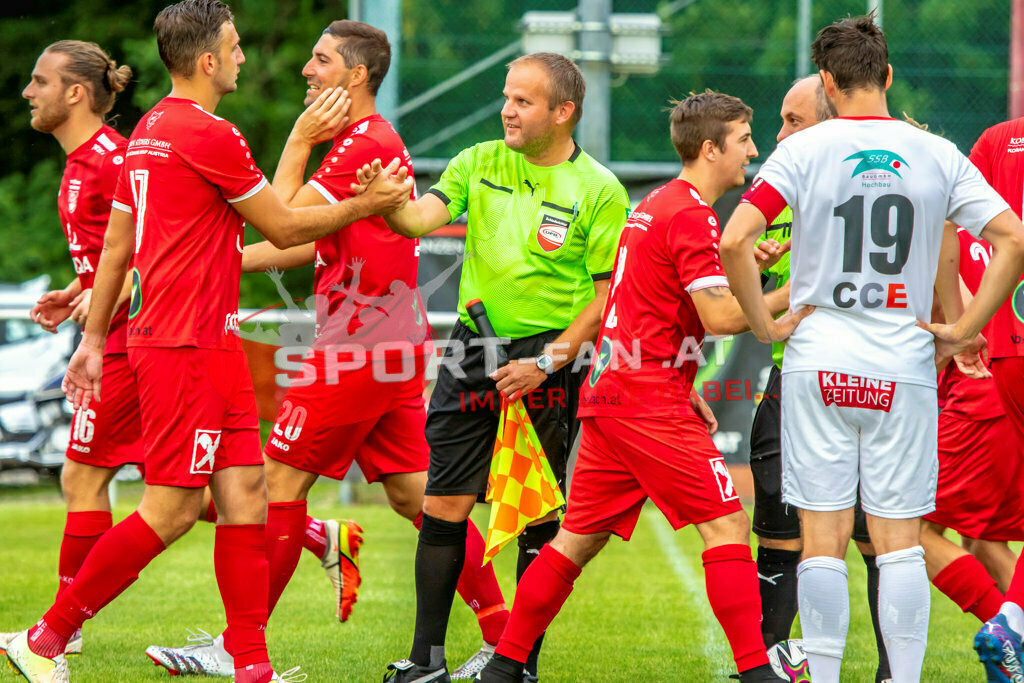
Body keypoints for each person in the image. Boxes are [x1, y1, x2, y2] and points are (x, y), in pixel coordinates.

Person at [4, 2, 411, 682]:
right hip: (183, 346)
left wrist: (95, 338)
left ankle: (250, 664)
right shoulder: (209, 133)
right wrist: (369, 206)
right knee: (167, 509)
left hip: (207, 341)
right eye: (235, 45)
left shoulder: (149, 130)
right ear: (208, 62)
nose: (244, 56)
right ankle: (46, 637)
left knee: (247, 495)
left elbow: (116, 251)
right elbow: (284, 230)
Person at [143, 21, 510, 680]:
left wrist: (296, 140)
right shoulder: (362, 143)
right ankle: (504, 636)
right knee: (418, 498)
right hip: (388, 344)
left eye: (321, 60)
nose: (307, 71)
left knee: (275, 485)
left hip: (357, 350)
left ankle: (239, 646)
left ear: (358, 75)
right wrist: (208, 267)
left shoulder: (357, 143)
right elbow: (308, 238)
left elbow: (277, 213)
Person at [721, 14, 1024, 683]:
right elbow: (1014, 239)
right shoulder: (937, 152)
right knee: (899, 546)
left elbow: (735, 239)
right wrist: (966, 323)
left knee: (822, 542)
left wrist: (764, 325)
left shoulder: (802, 152)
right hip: (903, 364)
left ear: (826, 83)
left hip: (819, 361)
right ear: (888, 76)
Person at [477, 90, 804, 683]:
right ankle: (758, 672)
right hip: (646, 400)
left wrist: (687, 373)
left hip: (616, 392)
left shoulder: (657, 204)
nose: (753, 152)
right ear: (711, 149)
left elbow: (643, 307)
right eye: (745, 140)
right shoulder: (694, 215)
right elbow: (721, 318)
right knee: (727, 525)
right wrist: (798, 288)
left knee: (577, 539)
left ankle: (503, 666)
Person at [366, 52, 630, 682]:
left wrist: (546, 360)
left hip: (549, 360)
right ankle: (426, 660)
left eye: (523, 101)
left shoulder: (599, 189)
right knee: (443, 503)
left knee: (535, 510)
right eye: (506, 97)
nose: (507, 110)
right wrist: (383, 203)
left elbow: (604, 299)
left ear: (562, 112)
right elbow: (420, 218)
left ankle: (517, 664)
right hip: (470, 350)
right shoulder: (479, 160)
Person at [751, 75, 894, 683]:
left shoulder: (882, 179)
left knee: (876, 537)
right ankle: (771, 661)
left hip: (869, 383)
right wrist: (764, 272)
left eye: (793, 120)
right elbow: (755, 292)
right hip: (790, 382)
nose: (779, 136)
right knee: (780, 531)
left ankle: (893, 670)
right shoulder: (775, 191)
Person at [0, 40, 138, 661]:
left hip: (134, 344)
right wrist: (80, 290)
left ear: (75, 93)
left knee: (84, 474)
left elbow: (162, 240)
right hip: (116, 336)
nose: (28, 92)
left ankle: (63, 629)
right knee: (196, 488)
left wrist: (113, 296)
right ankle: (318, 533)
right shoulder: (84, 158)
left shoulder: (112, 159)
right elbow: (111, 254)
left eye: (39, 80)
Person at [964, 111, 1024, 681]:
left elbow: (962, 237)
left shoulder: (998, 140)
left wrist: (966, 327)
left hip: (1005, 349)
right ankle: (1011, 622)